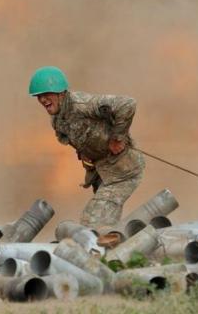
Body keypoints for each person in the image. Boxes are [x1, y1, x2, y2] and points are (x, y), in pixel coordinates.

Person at [29, 66, 145, 228]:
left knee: (93, 221)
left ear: (61, 93)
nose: (42, 100)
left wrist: (118, 138)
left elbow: (127, 104)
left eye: (46, 95)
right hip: (102, 173)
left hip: (123, 171)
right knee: (105, 222)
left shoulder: (82, 104)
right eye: (39, 96)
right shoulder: (58, 120)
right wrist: (85, 153)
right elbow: (77, 138)